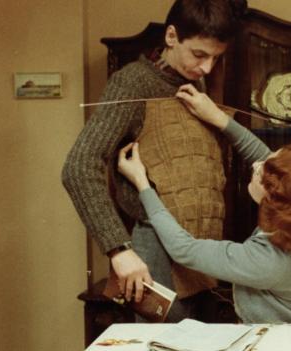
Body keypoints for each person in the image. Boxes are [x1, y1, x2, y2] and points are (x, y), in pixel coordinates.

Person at [62, 0, 247, 320]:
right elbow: (78, 166)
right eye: (199, 54)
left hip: (199, 250)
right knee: (161, 347)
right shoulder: (132, 82)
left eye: (216, 57)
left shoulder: (197, 81)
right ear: (171, 36)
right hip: (155, 248)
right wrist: (118, 250)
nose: (207, 67)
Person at [116, 84, 291, 323]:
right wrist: (218, 118)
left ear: (275, 198)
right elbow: (266, 161)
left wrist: (142, 183)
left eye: (262, 171)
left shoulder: (267, 261)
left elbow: (184, 249)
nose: (256, 164)